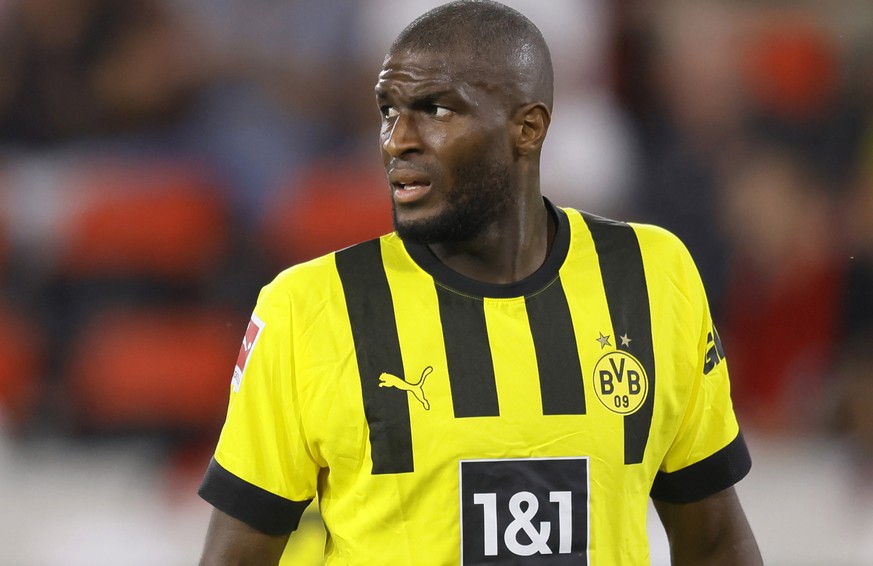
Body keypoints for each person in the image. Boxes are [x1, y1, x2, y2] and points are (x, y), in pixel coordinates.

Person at [197, 1, 763, 564]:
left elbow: (713, 539)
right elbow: (236, 557)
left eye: (436, 110)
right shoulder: (309, 308)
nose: (398, 140)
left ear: (528, 128)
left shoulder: (650, 276)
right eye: (388, 111)